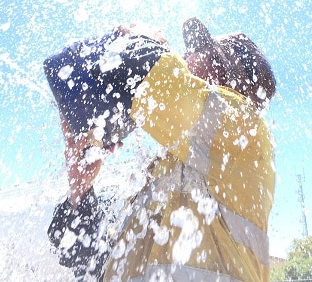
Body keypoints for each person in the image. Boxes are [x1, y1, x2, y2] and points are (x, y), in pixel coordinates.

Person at [44, 18, 276, 281]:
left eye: (199, 47)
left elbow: (135, 67)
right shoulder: (165, 172)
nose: (186, 52)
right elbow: (88, 262)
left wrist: (142, 39)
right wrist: (80, 189)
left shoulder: (244, 128)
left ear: (224, 72)